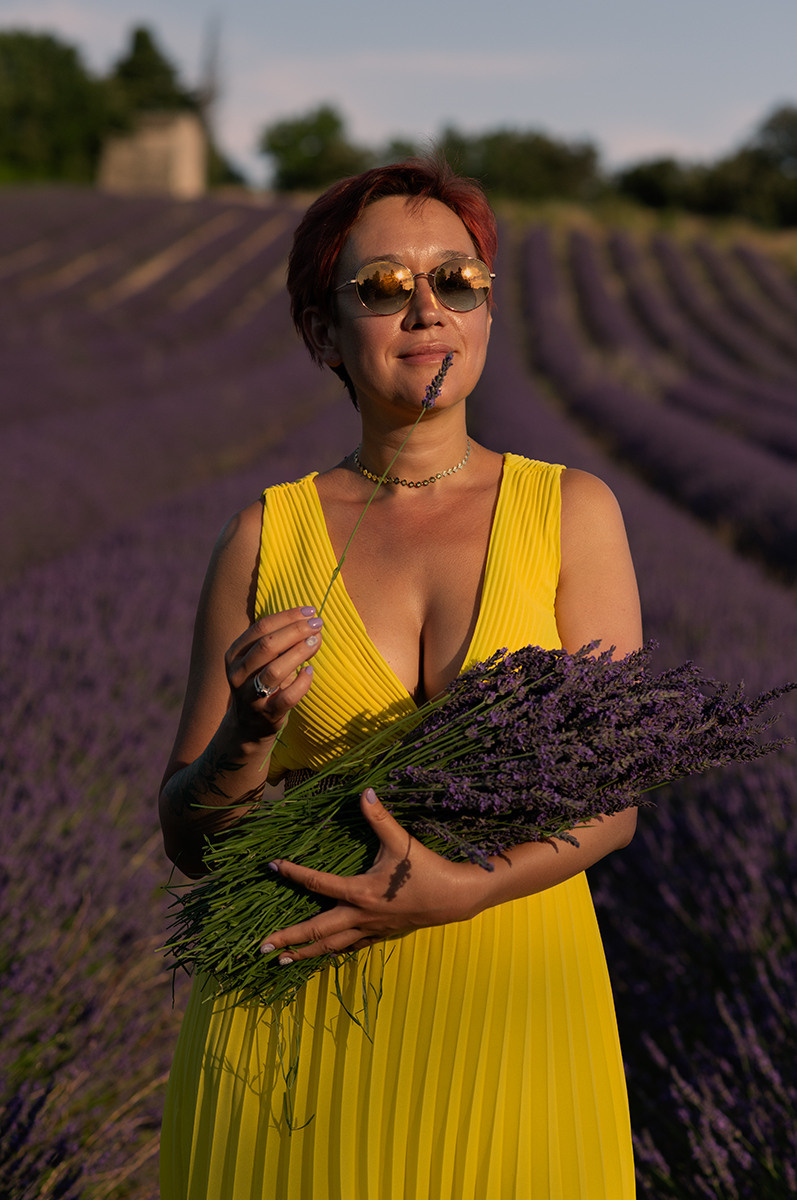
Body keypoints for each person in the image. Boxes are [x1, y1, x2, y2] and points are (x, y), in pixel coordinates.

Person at [158, 158, 642, 1199]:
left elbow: (612, 803)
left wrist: (461, 891)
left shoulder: (572, 514)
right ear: (322, 333)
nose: (425, 307)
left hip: (513, 1008)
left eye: (455, 279)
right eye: (382, 287)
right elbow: (189, 839)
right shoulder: (264, 535)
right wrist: (246, 735)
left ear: (485, 308)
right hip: (295, 1022)